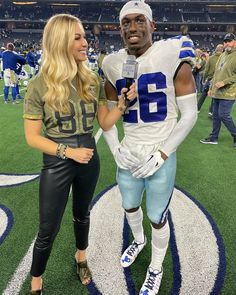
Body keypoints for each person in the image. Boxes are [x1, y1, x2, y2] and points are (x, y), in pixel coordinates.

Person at [23, 14, 136, 294]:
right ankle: (36, 282)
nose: (86, 42)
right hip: (58, 160)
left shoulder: (91, 78)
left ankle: (81, 257)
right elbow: (32, 137)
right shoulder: (39, 84)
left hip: (88, 157)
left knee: (82, 214)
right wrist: (68, 152)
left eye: (84, 36)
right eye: (77, 37)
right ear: (60, 41)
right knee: (48, 228)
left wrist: (121, 105)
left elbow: (105, 123)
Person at [102, 1, 198, 294]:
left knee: (157, 217)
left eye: (139, 20)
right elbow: (107, 117)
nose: (132, 27)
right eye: (126, 22)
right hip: (129, 152)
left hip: (160, 153)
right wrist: (116, 148)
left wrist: (163, 153)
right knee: (129, 205)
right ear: (120, 28)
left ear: (152, 25)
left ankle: (156, 266)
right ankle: (138, 240)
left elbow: (190, 113)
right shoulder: (111, 63)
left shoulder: (172, 53)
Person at [200, 33, 236, 148]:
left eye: (229, 41)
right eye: (225, 41)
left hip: (229, 92)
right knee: (215, 116)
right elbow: (216, 72)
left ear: (234, 42)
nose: (226, 44)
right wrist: (211, 88)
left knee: (223, 115)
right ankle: (213, 137)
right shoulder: (223, 54)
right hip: (217, 91)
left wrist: (224, 82)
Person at [197, 44, 224, 116]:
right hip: (217, 80)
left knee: (204, 94)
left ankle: (197, 108)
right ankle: (211, 111)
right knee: (214, 96)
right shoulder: (223, 58)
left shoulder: (211, 58)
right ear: (222, 50)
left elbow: (206, 70)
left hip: (209, 80)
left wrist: (203, 79)